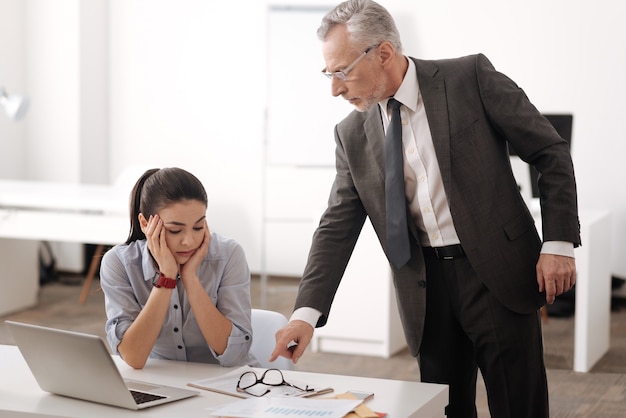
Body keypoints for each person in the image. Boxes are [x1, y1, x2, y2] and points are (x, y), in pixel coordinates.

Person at [270, 1, 580, 417]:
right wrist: (305, 314)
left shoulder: (469, 78)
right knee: (444, 409)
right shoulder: (351, 133)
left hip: (496, 273)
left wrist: (557, 243)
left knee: (519, 405)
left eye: (342, 72)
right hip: (424, 288)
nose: (335, 89)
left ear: (382, 53)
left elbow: (550, 151)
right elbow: (336, 225)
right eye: (329, 74)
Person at [100, 167, 258, 369]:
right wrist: (167, 277)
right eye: (175, 230)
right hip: (167, 382)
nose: (189, 241)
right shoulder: (119, 263)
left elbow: (234, 356)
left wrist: (190, 278)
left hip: (230, 382)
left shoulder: (228, 255)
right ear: (145, 223)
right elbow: (133, 357)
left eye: (198, 227)